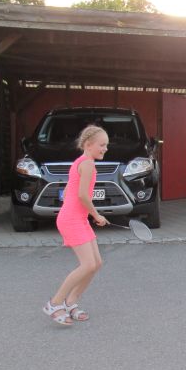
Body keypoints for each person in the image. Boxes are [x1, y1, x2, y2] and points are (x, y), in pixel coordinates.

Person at [42, 125, 109, 325]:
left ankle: (70, 302)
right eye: (102, 145)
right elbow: (82, 196)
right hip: (71, 220)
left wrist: (90, 215)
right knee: (88, 264)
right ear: (88, 144)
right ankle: (54, 303)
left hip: (78, 219)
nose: (105, 149)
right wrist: (96, 215)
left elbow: (78, 194)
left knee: (96, 263)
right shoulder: (87, 164)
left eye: (106, 145)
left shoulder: (84, 162)